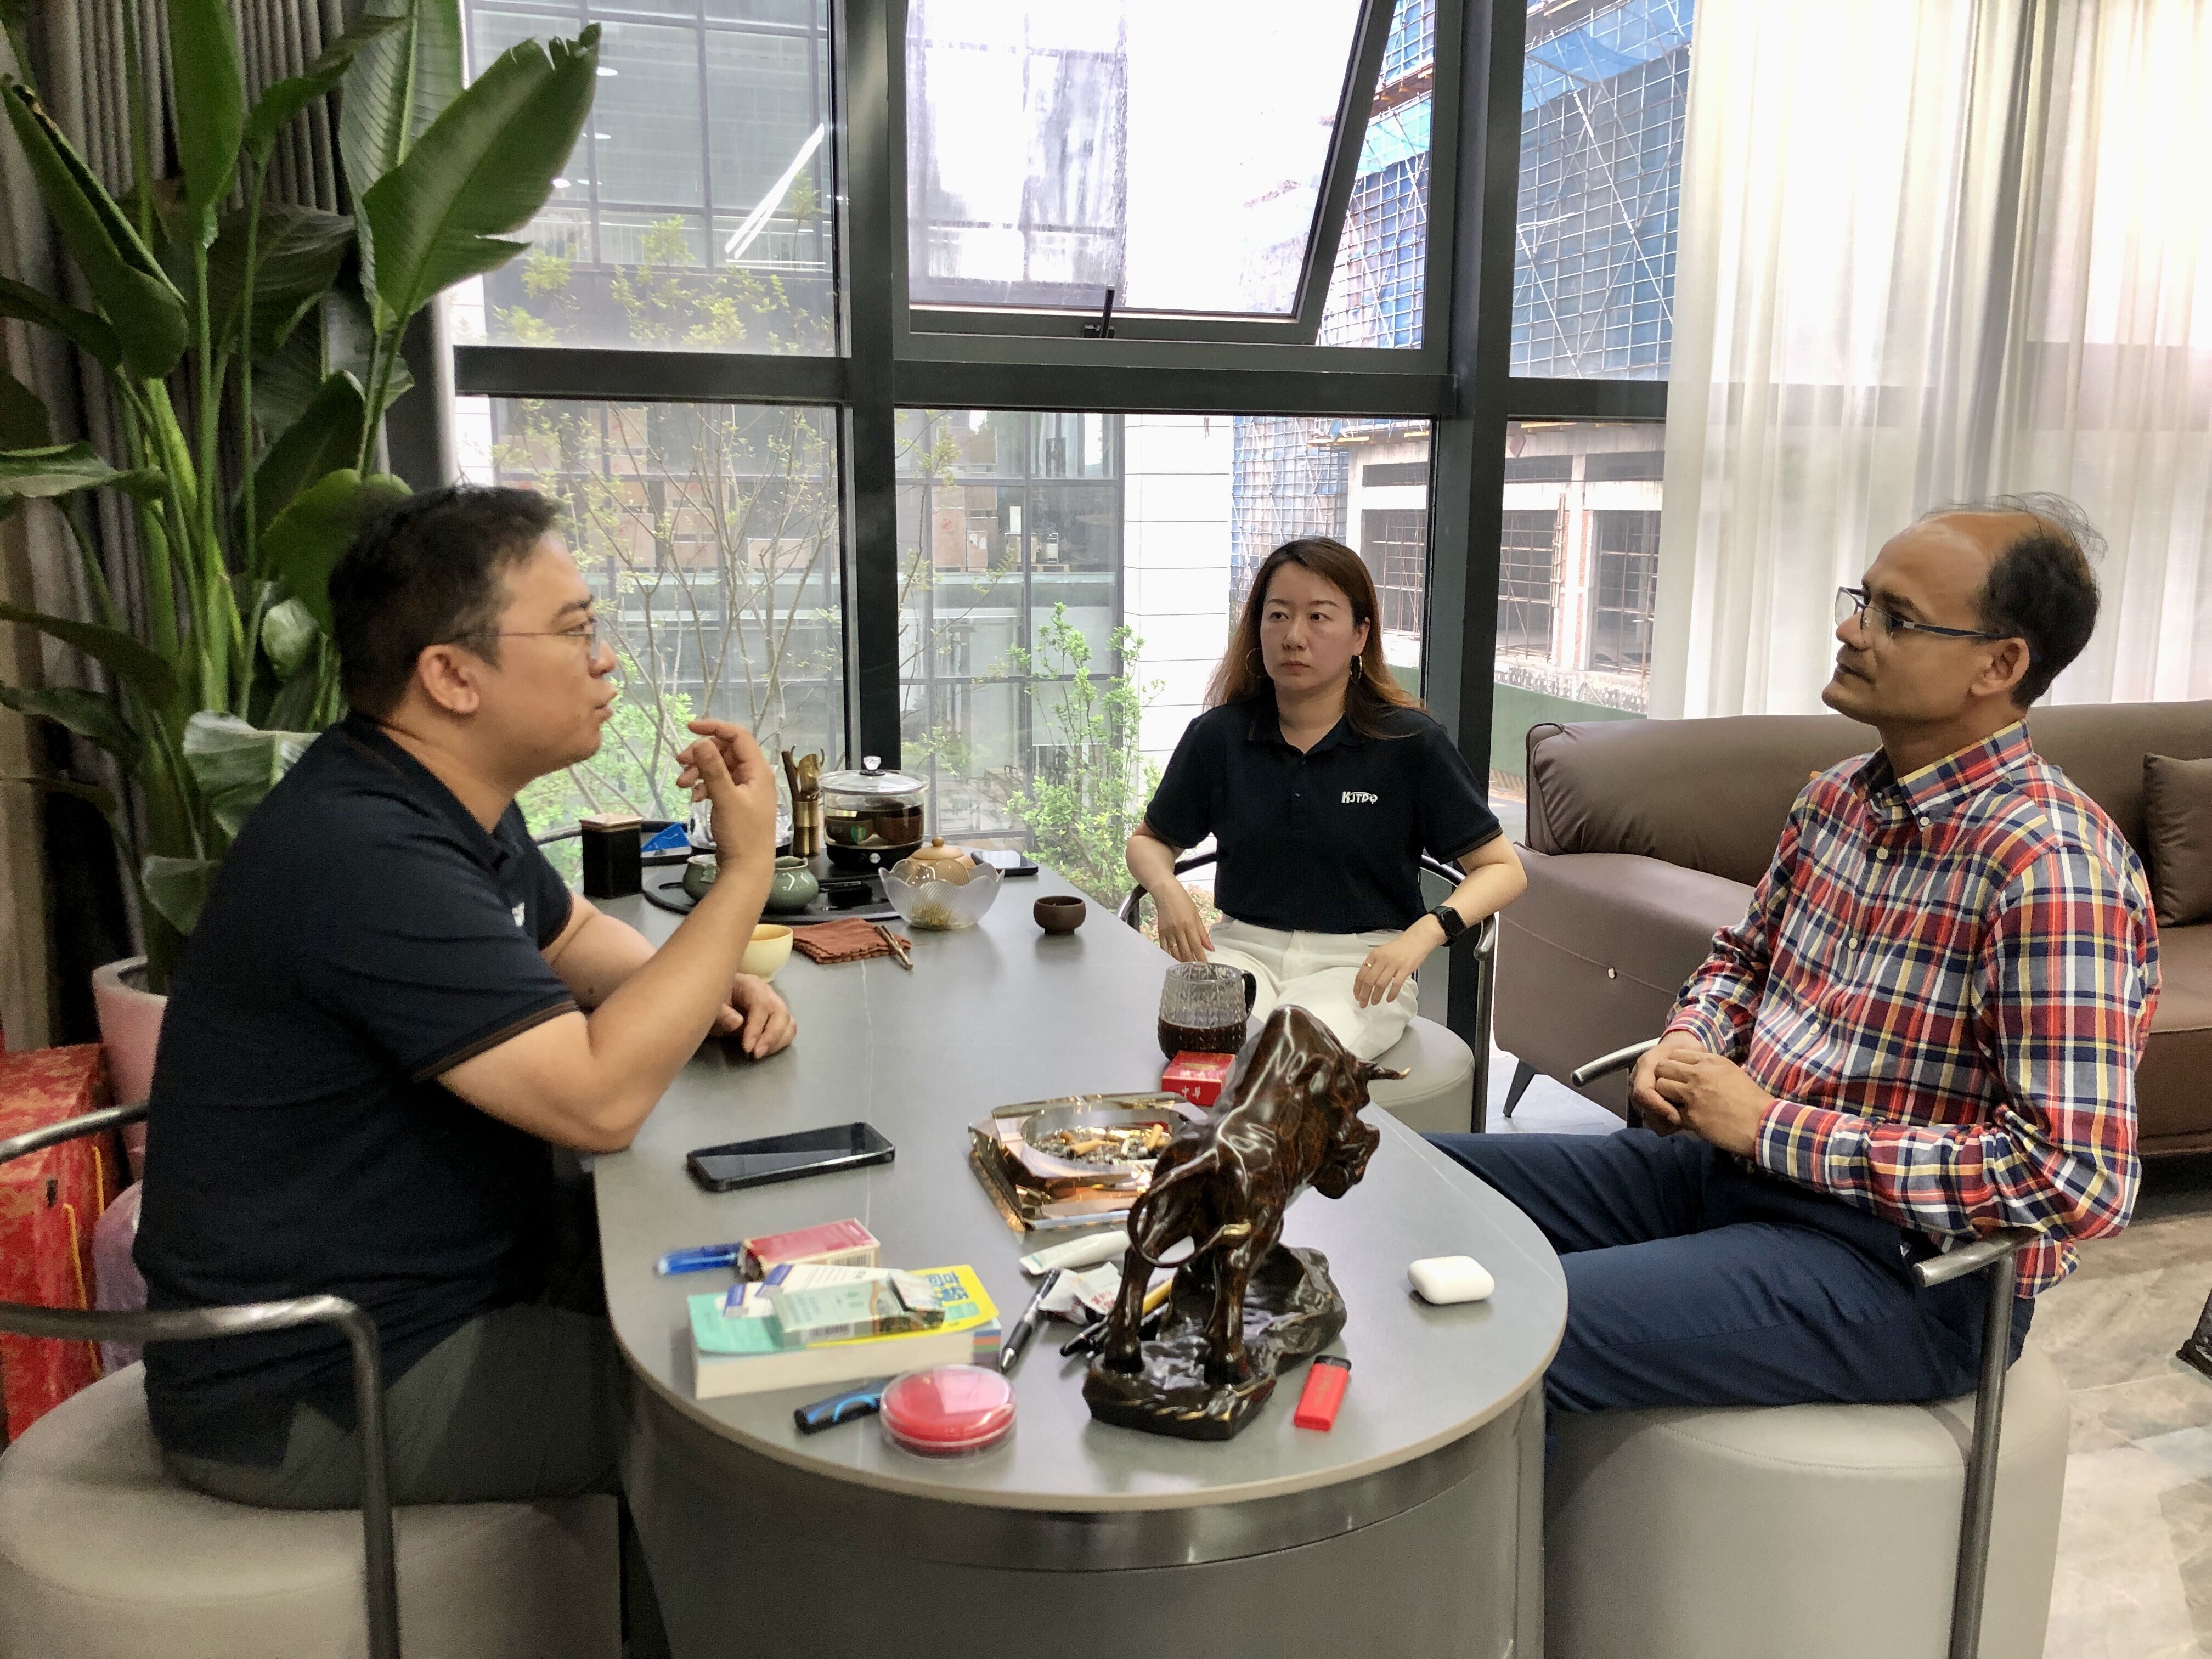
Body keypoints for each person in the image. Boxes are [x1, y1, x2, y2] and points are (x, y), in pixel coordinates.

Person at [136, 485, 793, 1508]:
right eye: (573, 630)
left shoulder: (431, 795)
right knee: (763, 1410)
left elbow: (567, 934)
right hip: (334, 1380)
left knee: (777, 1286)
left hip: (460, 1284)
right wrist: (744, 871)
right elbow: (599, 1102)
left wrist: (697, 982)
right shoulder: (364, 850)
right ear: (450, 675)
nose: (605, 660)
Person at [1432, 495, 2160, 1412]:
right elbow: (1741, 962)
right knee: (1401, 1180)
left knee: (1506, 1333)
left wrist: (1772, 1127)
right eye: (1863, 600)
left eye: (1894, 618)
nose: (1850, 630)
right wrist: (1688, 1041)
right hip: (1722, 1173)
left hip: (1901, 1267)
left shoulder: (2051, 870)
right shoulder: (1836, 799)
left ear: (2000, 664)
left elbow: (2075, 1179)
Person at [1127, 537, 1526, 1060]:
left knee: (1287, 1062)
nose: (1294, 637)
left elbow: (1503, 870)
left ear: (1360, 635)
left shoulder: (1409, 743)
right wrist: (1166, 889)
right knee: (1199, 1048)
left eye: (1318, 617)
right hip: (1241, 949)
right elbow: (1149, 841)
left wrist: (1425, 933)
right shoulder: (1219, 737)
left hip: (1360, 965)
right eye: (1278, 615)